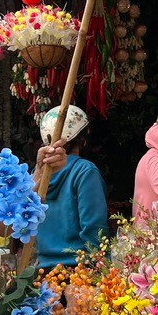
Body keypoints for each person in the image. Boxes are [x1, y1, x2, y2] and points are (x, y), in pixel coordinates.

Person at [33, 104, 108, 268]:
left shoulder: (37, 175)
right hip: (79, 273)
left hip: (43, 273)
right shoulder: (85, 171)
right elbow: (95, 231)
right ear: (84, 139)